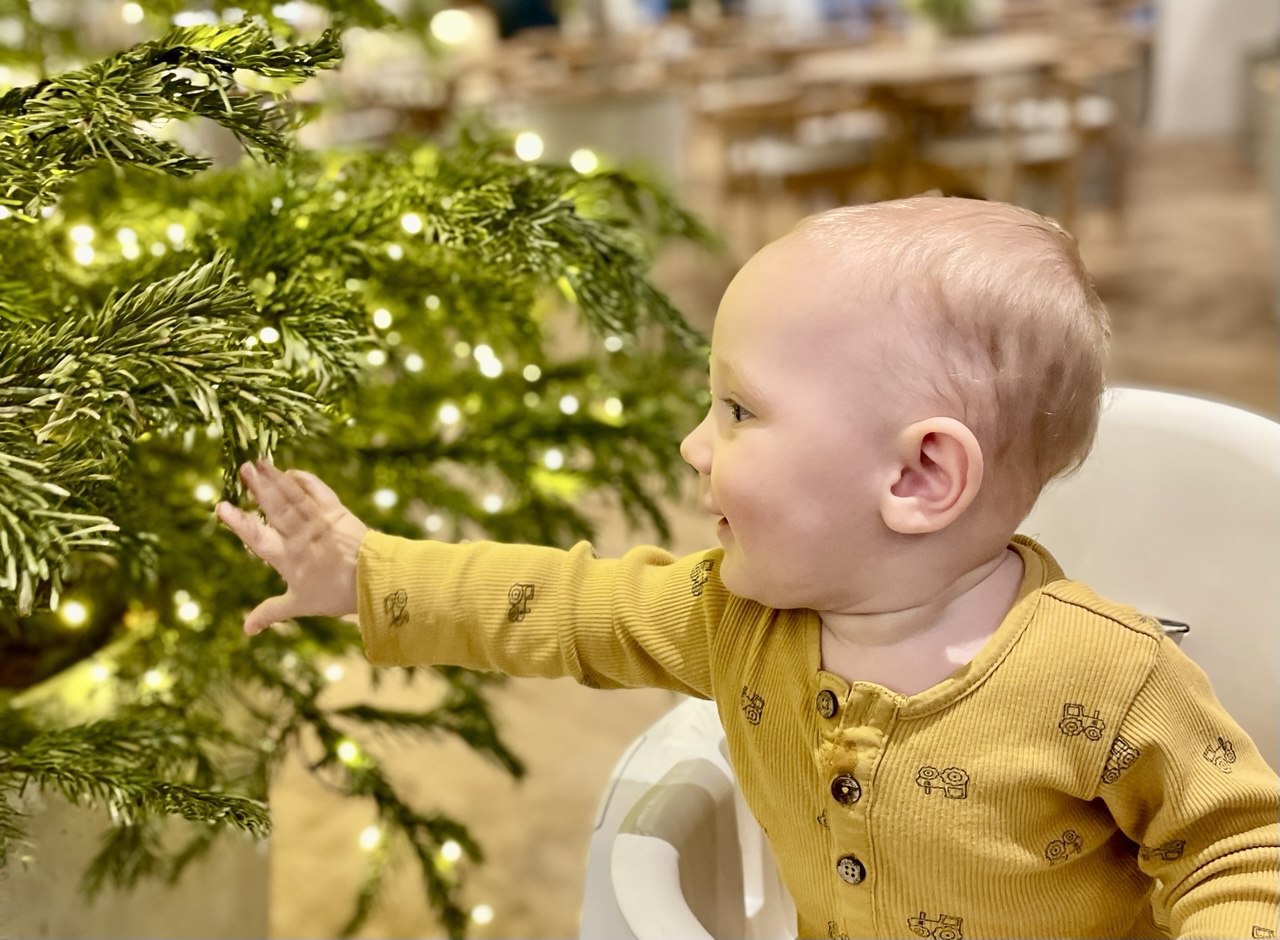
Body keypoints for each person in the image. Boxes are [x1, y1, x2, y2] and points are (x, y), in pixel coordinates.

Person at [216, 196, 1279, 939]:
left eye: (735, 409)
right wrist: (364, 573)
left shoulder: (1107, 675)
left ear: (915, 475)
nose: (692, 444)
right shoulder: (734, 617)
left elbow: (1238, 850)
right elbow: (560, 605)